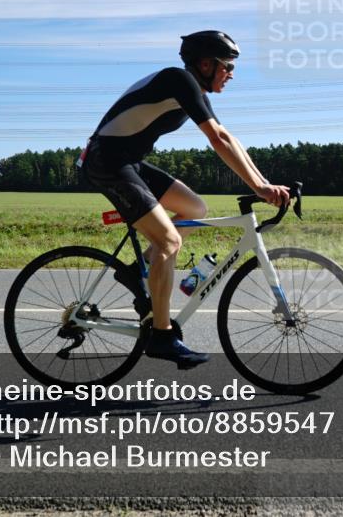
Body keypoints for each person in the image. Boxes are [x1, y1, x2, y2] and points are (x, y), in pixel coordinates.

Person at [81, 31, 290, 368]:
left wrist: (263, 184)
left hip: (127, 160)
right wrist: (261, 189)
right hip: (107, 161)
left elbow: (229, 138)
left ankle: (141, 270)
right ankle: (162, 336)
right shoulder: (180, 80)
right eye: (227, 66)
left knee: (195, 208)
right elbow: (217, 139)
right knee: (169, 241)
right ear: (205, 63)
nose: (231, 73)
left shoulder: (192, 87)